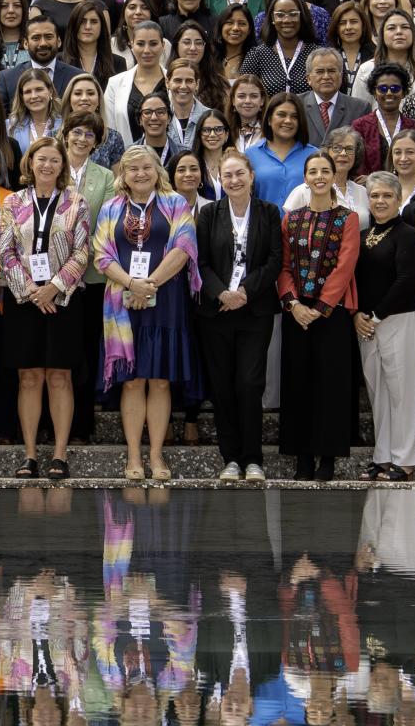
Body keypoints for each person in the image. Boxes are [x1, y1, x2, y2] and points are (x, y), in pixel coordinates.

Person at [94, 146, 200, 480]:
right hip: (122, 305)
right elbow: (100, 254)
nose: (140, 174)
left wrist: (148, 285)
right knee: (132, 382)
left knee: (160, 381)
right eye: (132, 169)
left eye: (146, 167)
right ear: (122, 175)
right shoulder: (111, 208)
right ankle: (133, 457)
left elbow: (184, 247)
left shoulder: (175, 204)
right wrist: (130, 284)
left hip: (165, 300)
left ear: (157, 170)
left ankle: (156, 457)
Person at [0, 135, 92, 478]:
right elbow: (4, 251)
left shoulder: (76, 203)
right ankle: (31, 454)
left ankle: (60, 455)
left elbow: (83, 252)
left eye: (54, 160)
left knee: (60, 377)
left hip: (63, 300)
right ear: (30, 164)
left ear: (62, 166)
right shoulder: (13, 203)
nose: (47, 165)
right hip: (25, 300)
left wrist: (53, 287)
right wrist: (32, 290)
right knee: (29, 377)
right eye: (41, 159)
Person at [193, 150, 282, 480]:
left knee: (249, 382)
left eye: (239, 174)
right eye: (227, 175)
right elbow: (199, 262)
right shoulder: (208, 214)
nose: (234, 180)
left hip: (254, 310)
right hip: (216, 311)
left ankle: (253, 458)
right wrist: (222, 293)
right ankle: (230, 458)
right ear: (220, 178)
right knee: (223, 386)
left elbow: (274, 259)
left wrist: (246, 291)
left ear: (251, 176)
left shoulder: (269, 212)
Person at [275, 153, 359, 480]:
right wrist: (294, 305)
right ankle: (302, 455)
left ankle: (328, 456)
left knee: (330, 384)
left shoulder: (347, 218)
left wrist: (321, 307)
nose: (320, 176)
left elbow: (345, 265)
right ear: (305, 178)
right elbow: (283, 267)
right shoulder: (291, 219)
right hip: (296, 311)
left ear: (334, 176)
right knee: (298, 383)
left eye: (325, 171)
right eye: (314, 171)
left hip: (331, 312)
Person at [350, 171, 415, 481]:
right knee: (378, 392)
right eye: (375, 196)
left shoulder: (407, 234)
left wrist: (376, 315)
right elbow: (355, 281)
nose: (380, 201)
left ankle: (405, 460)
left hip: (399, 319)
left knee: (402, 392)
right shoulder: (364, 235)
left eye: (386, 196)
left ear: (397, 199)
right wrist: (358, 316)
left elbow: (407, 280)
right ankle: (383, 457)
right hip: (367, 324)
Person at [247, 94, 317, 205]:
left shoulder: (314, 155)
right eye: (281, 115)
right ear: (269, 119)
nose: (288, 121)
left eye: (294, 116)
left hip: (304, 222)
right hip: (263, 221)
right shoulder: (250, 154)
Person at [351, 60, 411, 174]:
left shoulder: (412, 127)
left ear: (403, 92)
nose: (389, 93)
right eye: (382, 88)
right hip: (370, 189)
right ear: (374, 92)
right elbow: (356, 164)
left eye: (395, 89)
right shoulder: (360, 126)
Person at [300, 48, 364, 146]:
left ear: (341, 76)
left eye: (331, 71)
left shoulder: (360, 108)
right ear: (308, 79)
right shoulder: (296, 104)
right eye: (320, 71)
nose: (326, 76)